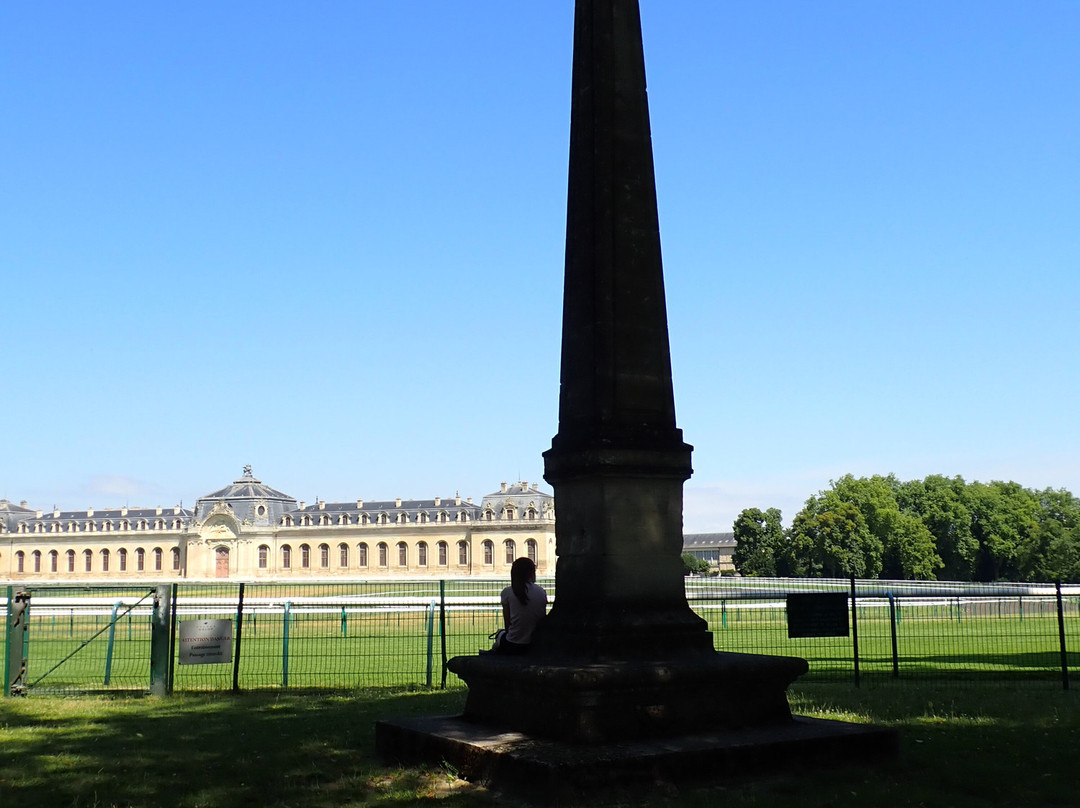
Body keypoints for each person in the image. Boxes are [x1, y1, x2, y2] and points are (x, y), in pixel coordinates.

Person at [494, 557, 547, 655]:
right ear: (531, 572)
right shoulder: (541, 592)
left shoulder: (507, 592)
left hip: (514, 643)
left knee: (499, 635)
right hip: (535, 643)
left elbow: (508, 624)